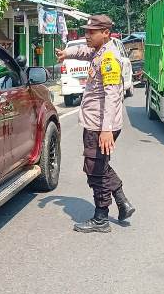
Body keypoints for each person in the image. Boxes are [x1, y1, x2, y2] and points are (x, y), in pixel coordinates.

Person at [56, 14, 135, 233]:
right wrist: (67, 53)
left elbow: (112, 96)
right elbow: (83, 51)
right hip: (96, 123)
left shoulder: (109, 58)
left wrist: (106, 129)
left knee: (95, 169)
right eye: (86, 31)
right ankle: (122, 202)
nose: (87, 36)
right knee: (98, 165)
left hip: (101, 125)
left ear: (106, 33)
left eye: (92, 32)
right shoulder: (99, 51)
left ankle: (101, 218)